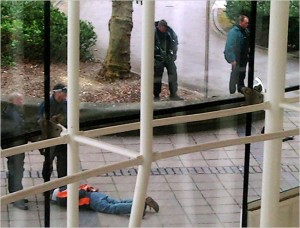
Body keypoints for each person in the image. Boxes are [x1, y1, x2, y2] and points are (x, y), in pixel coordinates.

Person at [51, 184, 159, 216]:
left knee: (111, 208)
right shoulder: (66, 188)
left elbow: (78, 195)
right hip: (94, 194)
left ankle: (136, 208)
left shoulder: (60, 197)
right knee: (117, 202)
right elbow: (83, 187)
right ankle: (142, 200)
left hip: (90, 201)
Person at [1, 92, 28, 210]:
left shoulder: (10, 111)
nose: (22, 102)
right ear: (13, 101)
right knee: (17, 171)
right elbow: (17, 130)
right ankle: (17, 198)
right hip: (15, 147)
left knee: (15, 170)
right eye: (20, 100)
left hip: (13, 147)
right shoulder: (13, 114)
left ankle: (15, 194)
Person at [36, 83, 67, 187]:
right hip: (50, 138)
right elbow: (40, 122)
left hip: (62, 138)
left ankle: (62, 186)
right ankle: (47, 186)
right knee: (48, 163)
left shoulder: (66, 104)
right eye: (64, 92)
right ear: (57, 93)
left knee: (63, 163)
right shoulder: (46, 104)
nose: (65, 95)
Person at [154, 19, 183, 101]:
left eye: (165, 28)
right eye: (162, 27)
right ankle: (156, 95)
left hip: (168, 57)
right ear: (158, 26)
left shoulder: (169, 32)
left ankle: (173, 94)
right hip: (157, 57)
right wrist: (155, 55)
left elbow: (175, 42)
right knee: (157, 76)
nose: (164, 29)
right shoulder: (153, 32)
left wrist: (174, 54)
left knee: (173, 74)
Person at [224, 15, 250, 94]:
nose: (247, 24)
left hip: (243, 58)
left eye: (247, 23)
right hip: (237, 58)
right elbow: (229, 46)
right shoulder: (234, 32)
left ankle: (240, 89)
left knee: (242, 74)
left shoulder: (245, 31)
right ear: (241, 22)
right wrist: (232, 59)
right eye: (245, 23)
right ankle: (232, 92)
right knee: (235, 75)